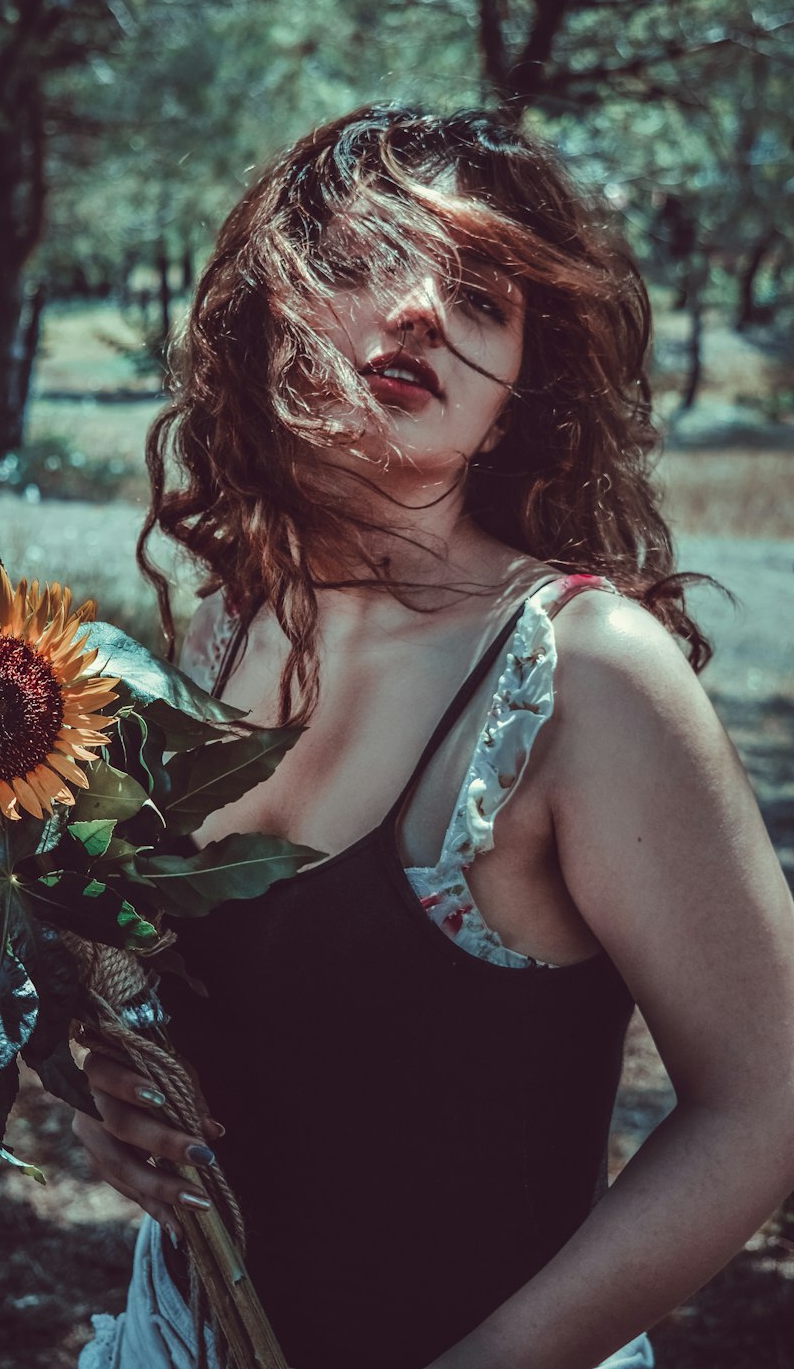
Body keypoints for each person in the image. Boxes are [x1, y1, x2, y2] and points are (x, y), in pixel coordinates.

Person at [74, 106, 794, 1369]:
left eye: (476, 291)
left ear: (520, 391)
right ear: (274, 312)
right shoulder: (215, 631)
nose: (415, 308)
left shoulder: (581, 673)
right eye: (362, 261)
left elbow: (766, 1103)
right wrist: (112, 1096)